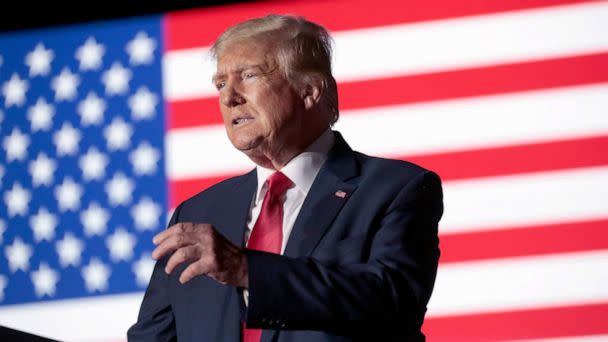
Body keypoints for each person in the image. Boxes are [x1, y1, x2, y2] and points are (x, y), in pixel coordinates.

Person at [128, 14, 443, 342]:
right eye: (220, 83)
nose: (228, 97)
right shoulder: (197, 214)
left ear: (309, 91)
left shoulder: (396, 189)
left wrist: (248, 271)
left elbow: (393, 302)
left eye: (248, 75)